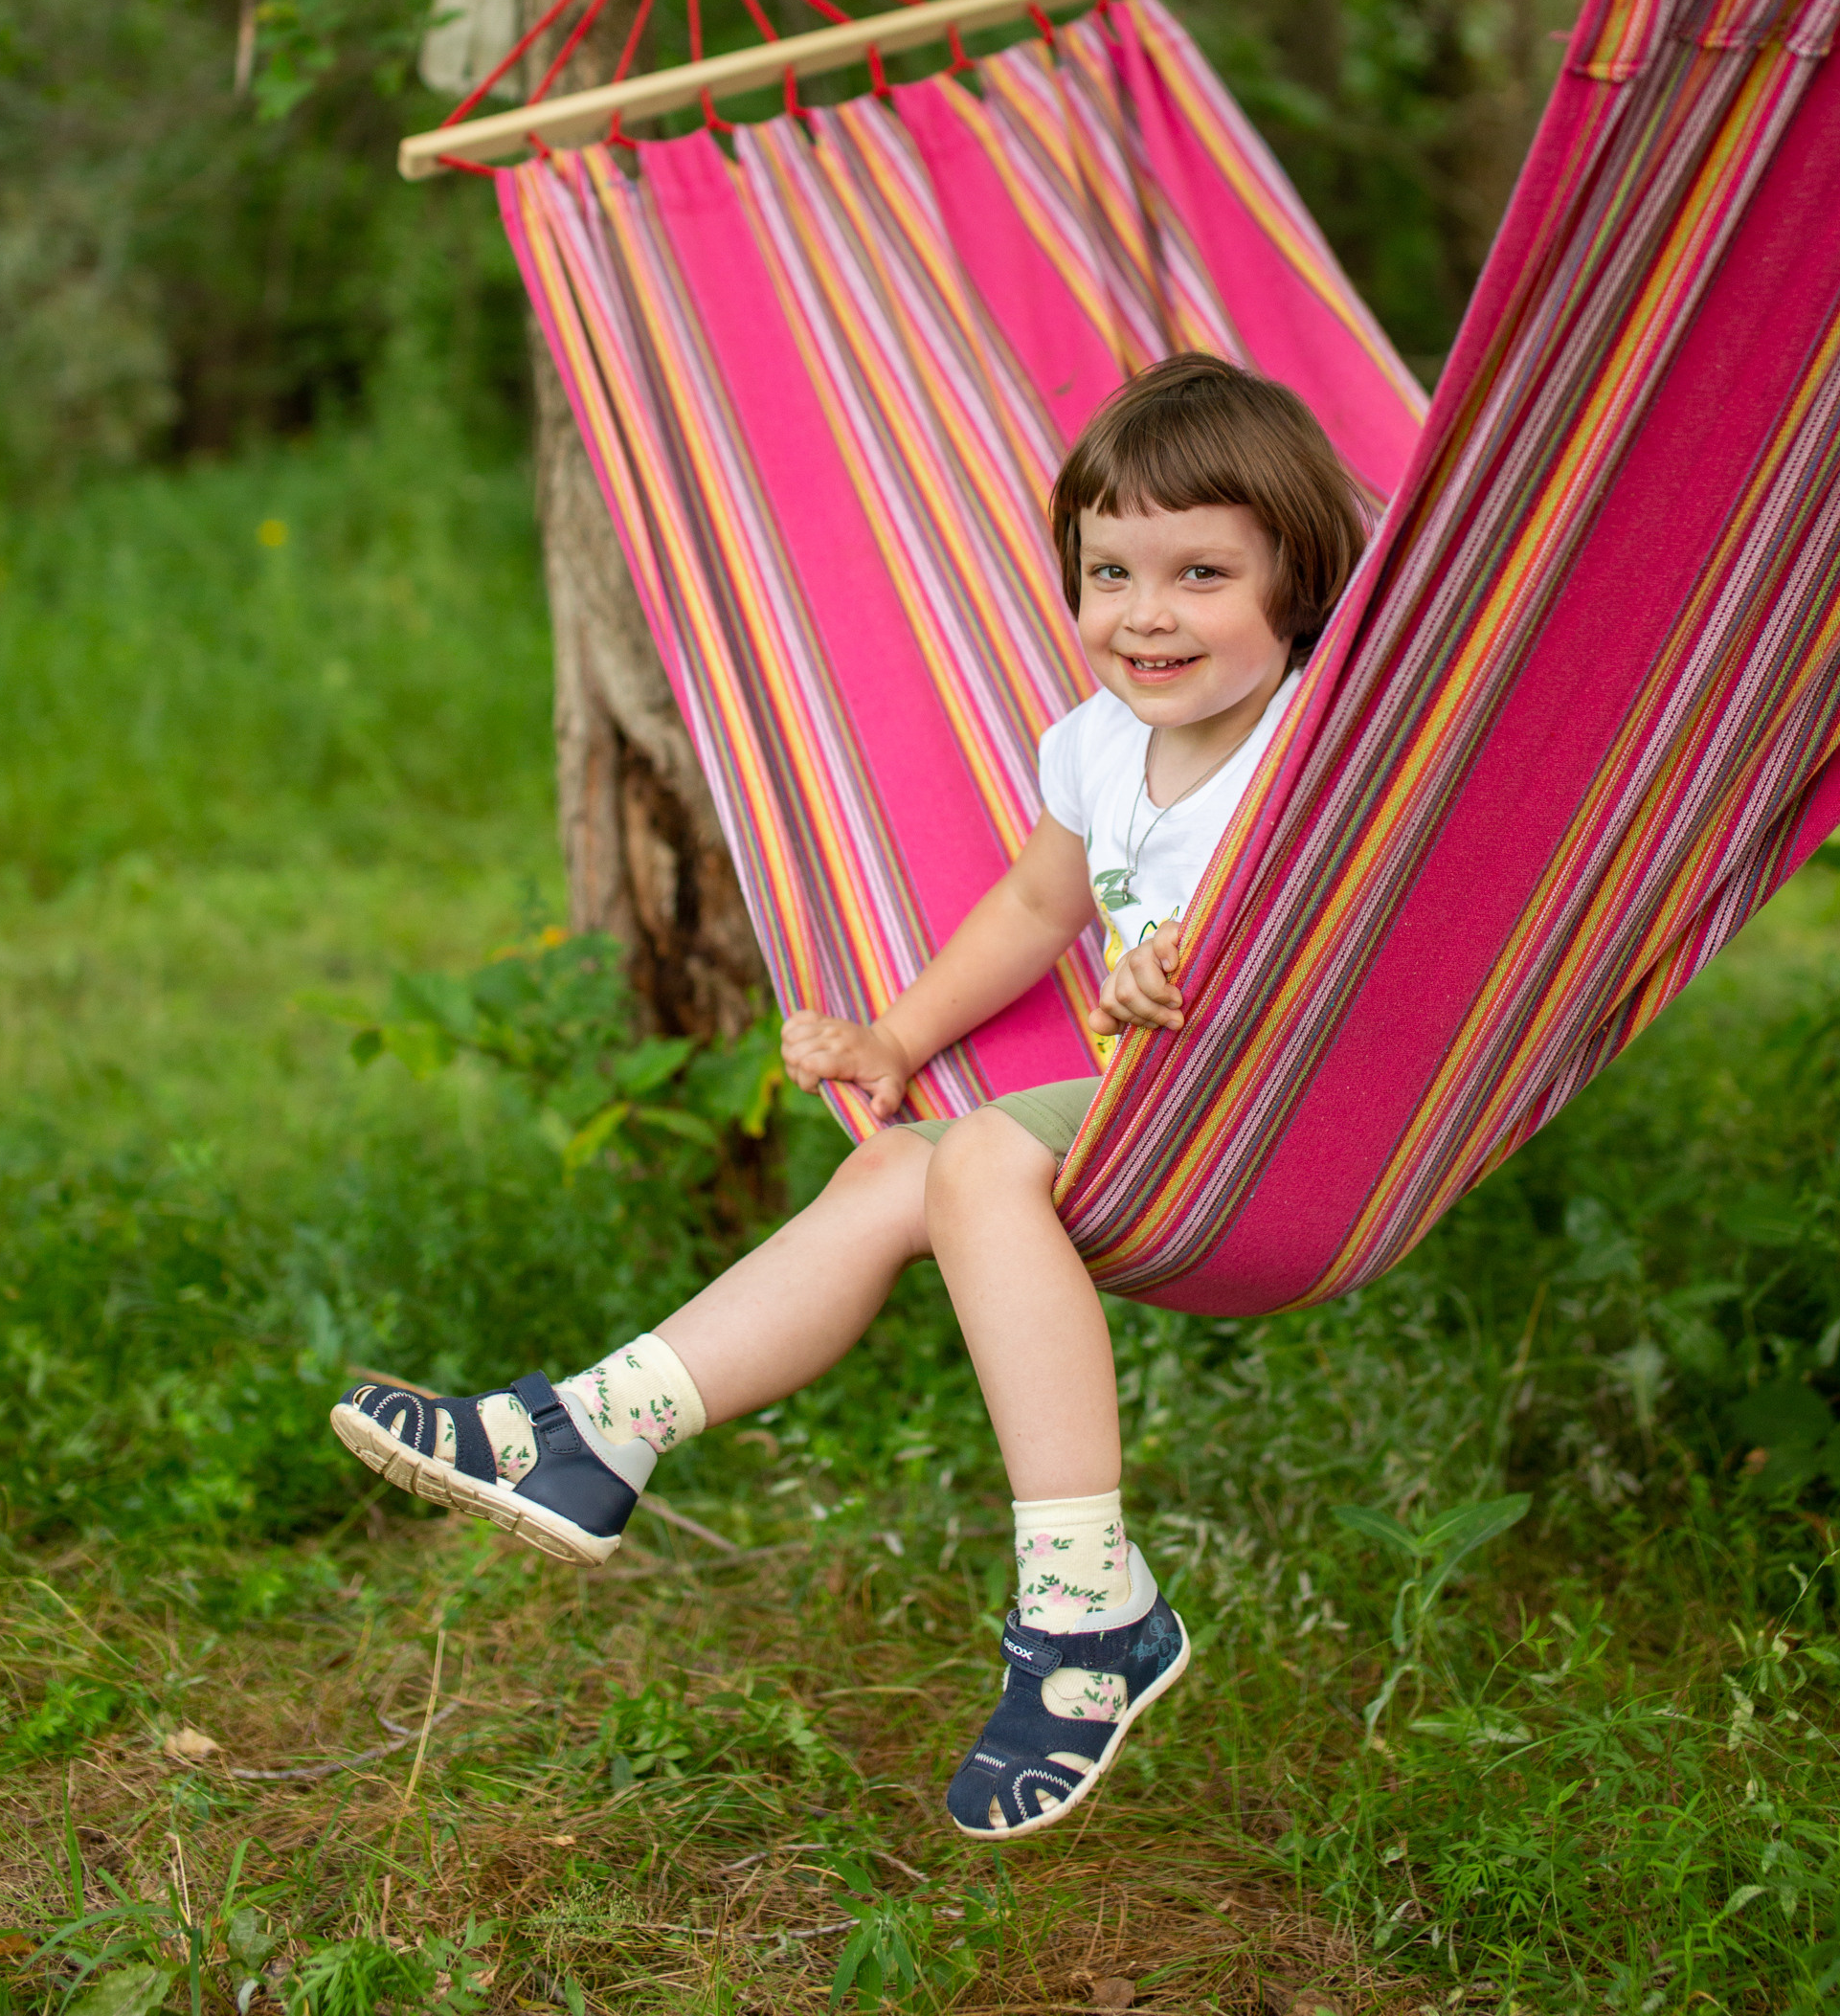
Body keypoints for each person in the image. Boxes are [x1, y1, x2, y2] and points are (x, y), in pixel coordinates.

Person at [333, 353, 1366, 1838]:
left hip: (1298, 1120)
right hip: (1157, 1116)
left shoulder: (1325, 741)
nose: (1147, 613)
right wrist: (896, 1037)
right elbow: (1037, 907)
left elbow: (1381, 911)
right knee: (892, 1169)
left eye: (1202, 573)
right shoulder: (1096, 747)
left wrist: (1226, 956)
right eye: (1111, 573)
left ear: (1297, 580)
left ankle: (1091, 1609)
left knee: (981, 1161)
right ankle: (596, 1432)